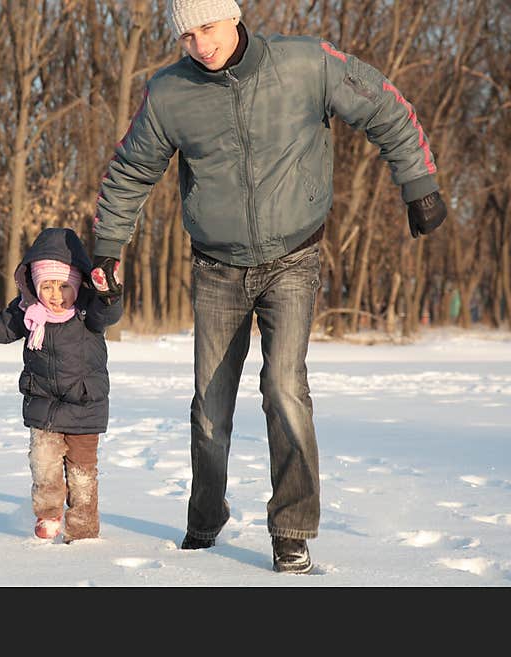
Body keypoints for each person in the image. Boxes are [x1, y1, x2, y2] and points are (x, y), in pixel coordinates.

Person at [89, 0, 447, 573]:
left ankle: (292, 528)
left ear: (232, 17)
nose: (200, 45)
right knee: (210, 408)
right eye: (187, 36)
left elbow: (385, 105)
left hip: (294, 256)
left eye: (207, 28)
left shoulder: (305, 63)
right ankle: (205, 518)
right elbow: (132, 169)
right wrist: (107, 246)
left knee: (284, 388)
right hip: (216, 266)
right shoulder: (169, 93)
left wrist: (419, 182)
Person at [0, 227, 122, 543]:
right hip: (44, 407)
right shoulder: (29, 312)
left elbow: (109, 313)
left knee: (82, 475)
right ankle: (48, 515)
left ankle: (83, 528)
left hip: (84, 406)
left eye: (64, 286)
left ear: (77, 284)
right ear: (34, 285)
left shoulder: (87, 312)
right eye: (46, 286)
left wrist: (108, 292)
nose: (55, 294)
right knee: (44, 466)